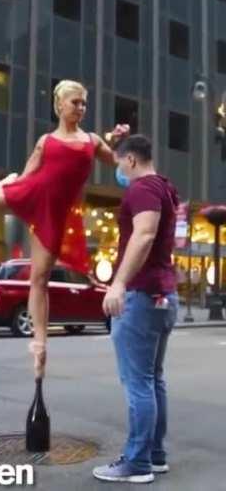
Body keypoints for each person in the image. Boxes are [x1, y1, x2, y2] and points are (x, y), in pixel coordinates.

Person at [0, 79, 129, 378]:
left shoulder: (91, 141)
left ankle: (39, 345)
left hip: (57, 214)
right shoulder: (45, 141)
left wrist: (118, 140)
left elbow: (118, 162)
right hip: (31, 193)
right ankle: (1, 182)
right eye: (75, 102)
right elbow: (27, 175)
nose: (81, 107)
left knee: (39, 279)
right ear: (60, 105)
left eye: (84, 103)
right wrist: (11, 187)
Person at [93, 134, 179, 484]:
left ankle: (137, 462)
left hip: (143, 295)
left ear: (130, 160)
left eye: (118, 164)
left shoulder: (141, 189)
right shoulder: (166, 188)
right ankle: (154, 455)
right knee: (153, 380)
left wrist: (118, 283)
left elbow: (144, 235)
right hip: (163, 294)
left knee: (139, 382)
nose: (118, 172)